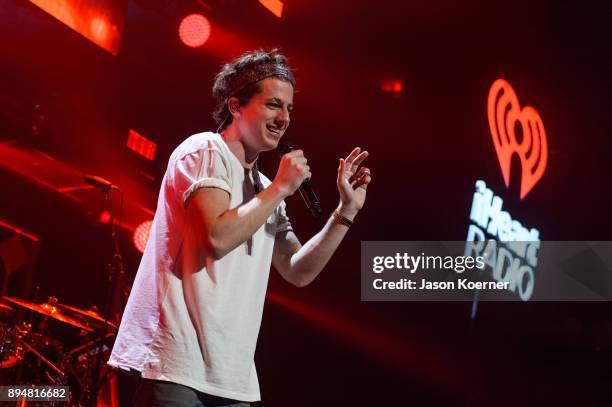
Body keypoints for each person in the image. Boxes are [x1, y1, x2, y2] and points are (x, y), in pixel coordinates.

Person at [108, 49, 372, 406]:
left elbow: (297, 270)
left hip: (232, 381)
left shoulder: (265, 187)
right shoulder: (204, 150)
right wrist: (280, 189)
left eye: (290, 109)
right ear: (235, 106)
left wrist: (345, 212)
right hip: (175, 368)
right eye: (273, 105)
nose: (284, 118)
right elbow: (216, 238)